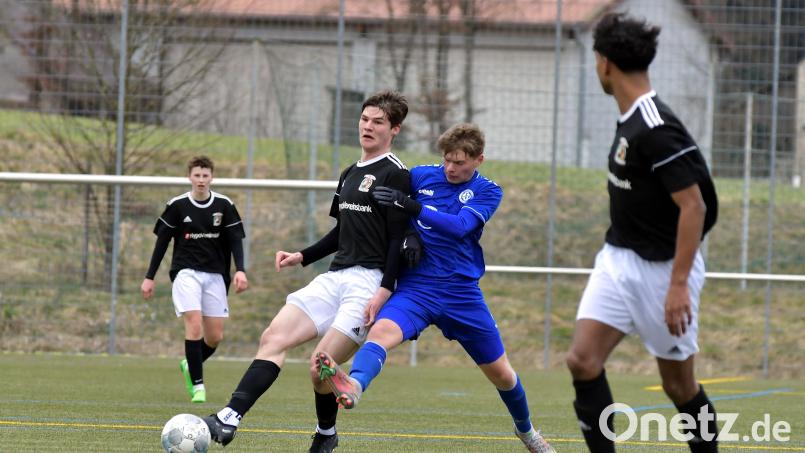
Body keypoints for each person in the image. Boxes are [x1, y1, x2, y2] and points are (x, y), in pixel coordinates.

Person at [315, 123, 556, 453]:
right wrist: (407, 233)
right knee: (381, 332)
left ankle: (527, 432)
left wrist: (412, 208)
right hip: (417, 287)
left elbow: (460, 227)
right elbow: (393, 204)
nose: (451, 168)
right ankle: (354, 385)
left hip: (461, 293)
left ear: (479, 159)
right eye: (446, 160)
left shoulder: (489, 191)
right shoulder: (421, 176)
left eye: (459, 162)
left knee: (501, 374)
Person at [203, 90, 411, 453]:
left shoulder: (396, 175)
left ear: (394, 129)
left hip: (368, 282)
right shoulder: (349, 172)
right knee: (273, 337)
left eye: (378, 122)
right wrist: (302, 255)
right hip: (334, 276)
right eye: (364, 119)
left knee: (321, 366)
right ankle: (229, 417)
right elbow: (342, 231)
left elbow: (399, 241)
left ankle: (326, 433)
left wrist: (385, 290)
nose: (368, 126)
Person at [564, 13, 720, 453]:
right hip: (618, 258)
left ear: (606, 63)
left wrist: (677, 286)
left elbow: (695, 205)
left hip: (665, 270)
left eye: (596, 58)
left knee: (679, 386)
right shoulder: (631, 119)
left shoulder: (654, 126)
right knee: (582, 360)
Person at [141, 155, 249, 404]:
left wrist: (240, 270)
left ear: (212, 177)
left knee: (214, 337)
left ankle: (191, 363)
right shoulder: (178, 205)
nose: (201, 180)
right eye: (197, 175)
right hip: (185, 272)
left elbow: (235, 241)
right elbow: (161, 243)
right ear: (189, 177)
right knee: (194, 322)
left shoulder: (224, 205)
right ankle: (198, 386)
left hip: (215, 275)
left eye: (205, 175)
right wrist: (149, 277)